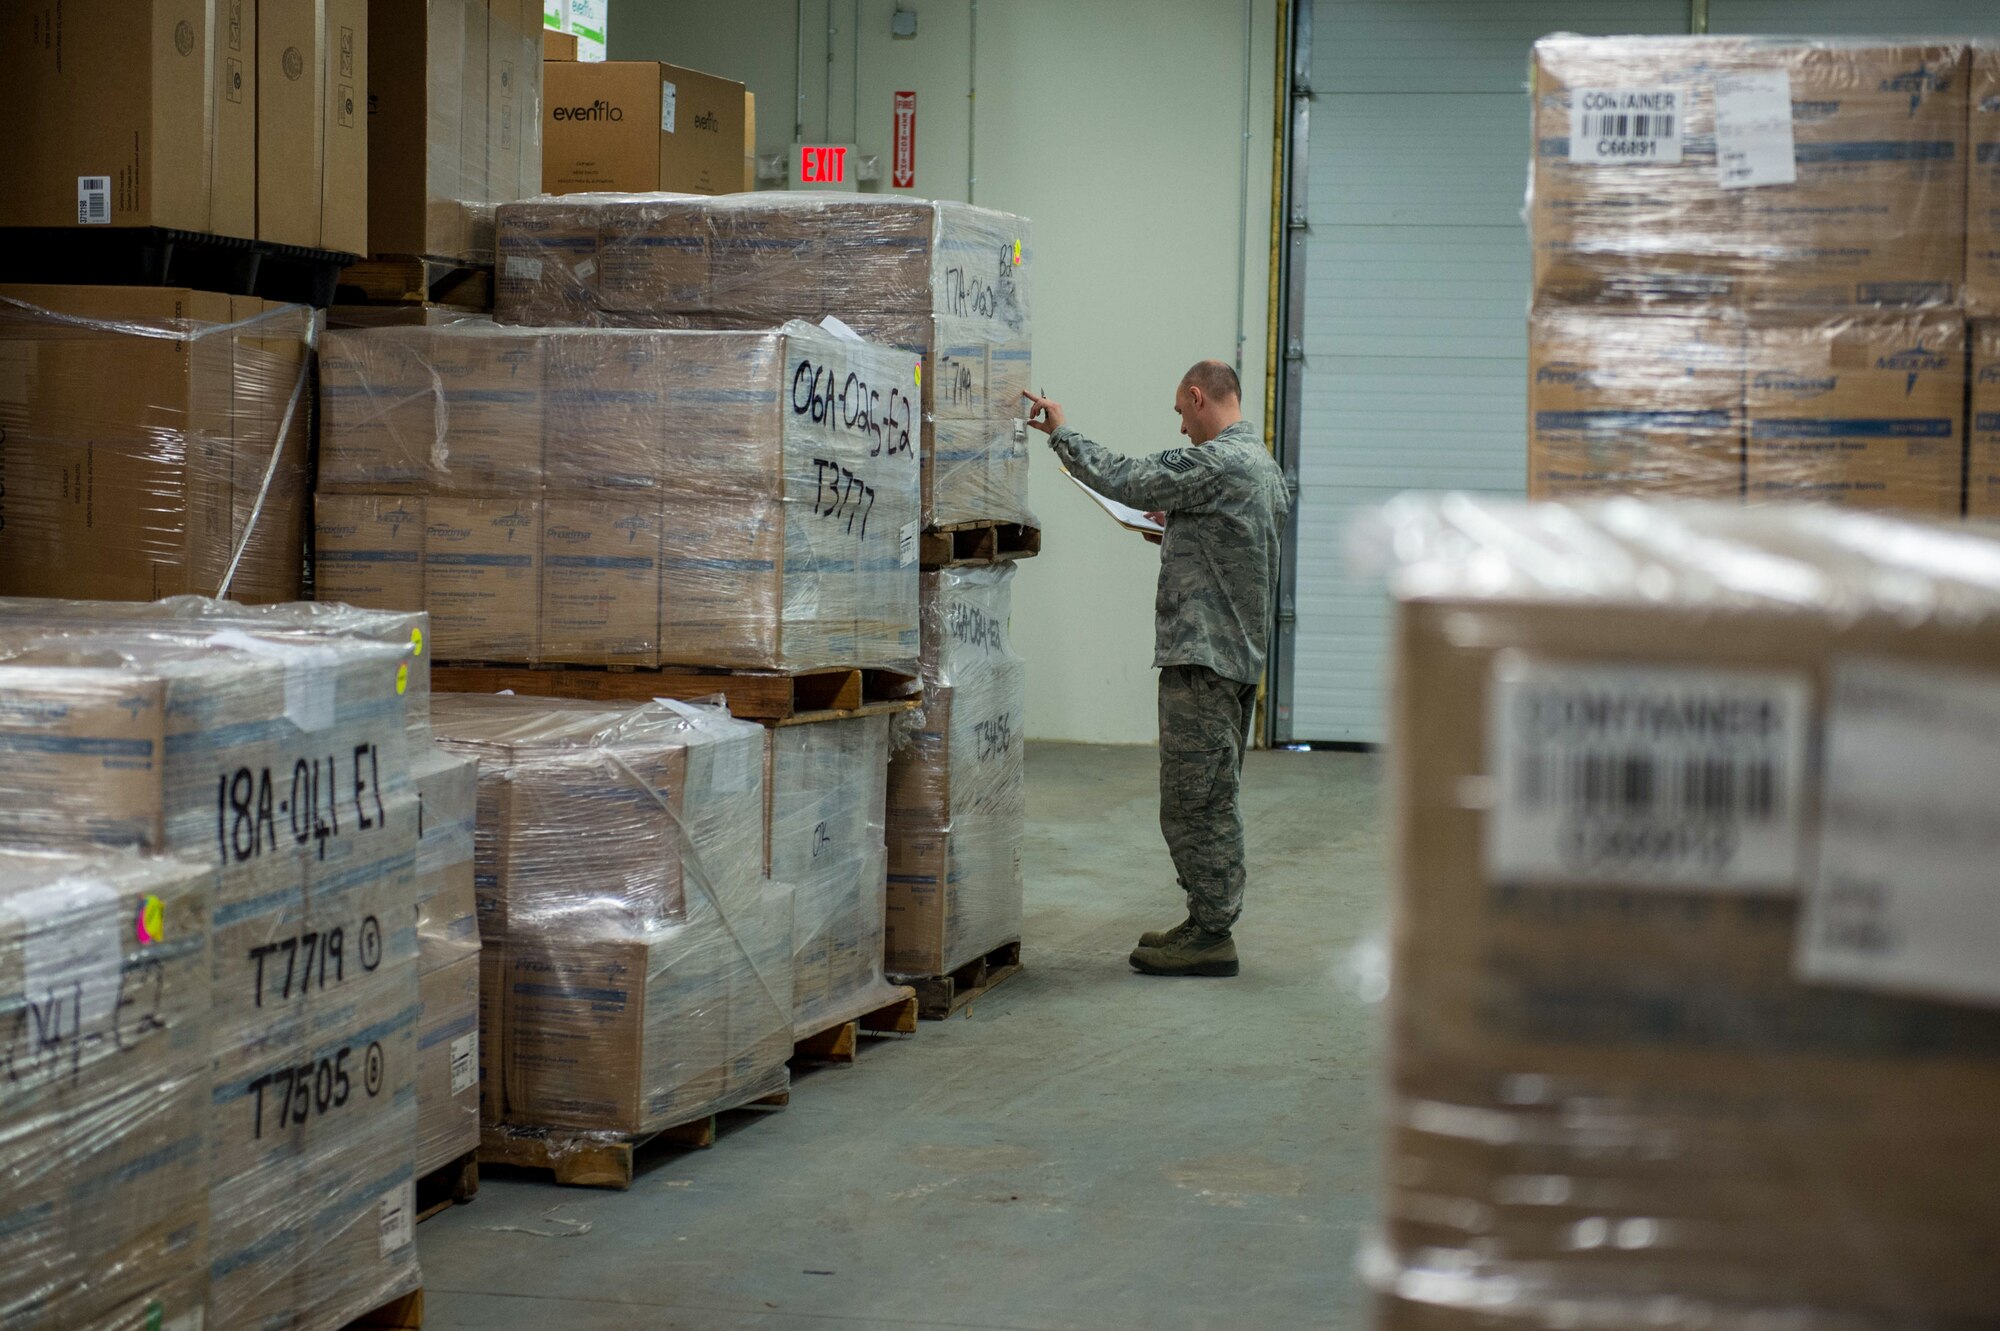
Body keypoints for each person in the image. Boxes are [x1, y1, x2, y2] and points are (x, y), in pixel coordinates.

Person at [1021, 362, 1290, 978]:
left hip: (1203, 658)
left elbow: (1129, 477)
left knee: (1195, 801)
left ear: (1198, 397)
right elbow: (1234, 545)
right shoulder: (1261, 468)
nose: (1181, 424)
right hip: (1233, 657)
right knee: (1212, 793)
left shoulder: (1219, 461)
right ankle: (1205, 920)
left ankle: (1212, 932)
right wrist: (1179, 531)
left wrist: (1063, 432)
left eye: (1179, 410)